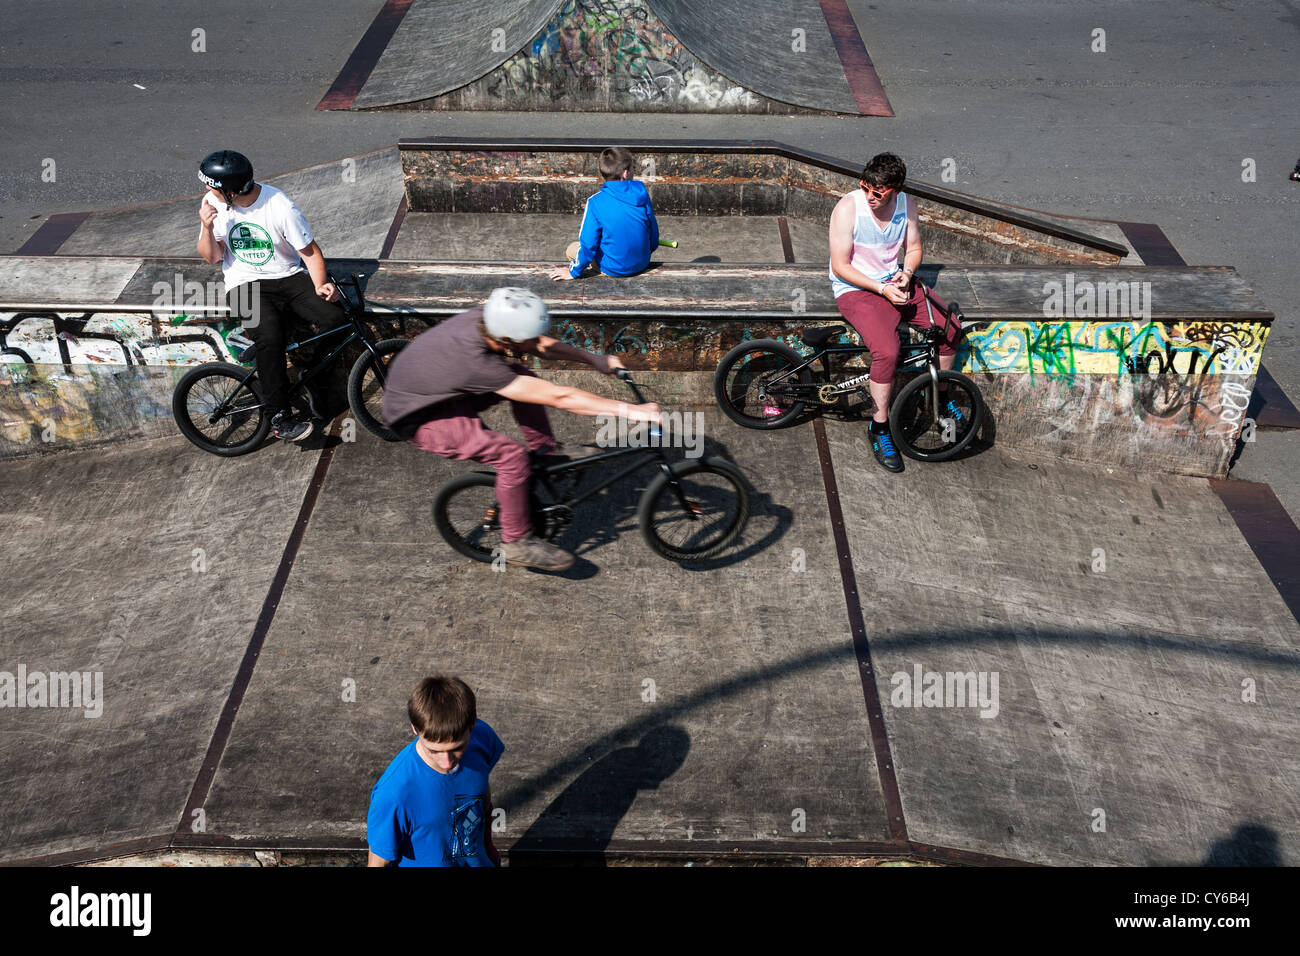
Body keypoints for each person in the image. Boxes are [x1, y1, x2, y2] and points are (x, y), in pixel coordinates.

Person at [381, 287, 661, 572]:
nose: (532, 342)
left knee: (523, 377)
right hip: (417, 416)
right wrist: (631, 411)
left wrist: (593, 358)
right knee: (511, 455)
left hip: (438, 389)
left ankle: (545, 450)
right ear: (506, 341)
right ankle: (515, 541)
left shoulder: (489, 319)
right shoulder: (478, 364)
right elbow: (559, 397)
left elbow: (539, 345)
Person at [828, 152, 962, 473]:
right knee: (887, 351)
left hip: (894, 283)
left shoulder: (906, 207)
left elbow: (913, 249)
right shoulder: (848, 208)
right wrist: (882, 289)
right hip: (858, 289)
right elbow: (840, 266)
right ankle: (879, 427)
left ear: (896, 191)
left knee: (951, 328)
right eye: (865, 188)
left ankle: (940, 398)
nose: (870, 197)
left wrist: (906, 271)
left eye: (879, 192)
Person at [196, 149, 341, 442]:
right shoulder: (212, 203)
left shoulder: (279, 206)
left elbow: (310, 252)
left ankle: (308, 374)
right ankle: (280, 417)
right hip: (243, 283)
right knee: (269, 337)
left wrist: (320, 284)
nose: (206, 191)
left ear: (232, 191)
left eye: (211, 185)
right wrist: (207, 227)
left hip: (286, 277)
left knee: (336, 318)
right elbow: (212, 257)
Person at [367, 676, 504, 867]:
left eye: (457, 748)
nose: (447, 763)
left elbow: (482, 792)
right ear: (415, 729)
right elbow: (378, 861)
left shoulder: (482, 738)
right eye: (434, 751)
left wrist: (489, 848)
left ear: (473, 723)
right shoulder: (394, 794)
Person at [550, 146, 659, 281]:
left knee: (572, 249)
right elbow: (654, 234)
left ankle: (592, 270)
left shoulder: (595, 202)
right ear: (625, 174)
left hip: (613, 268)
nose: (633, 172)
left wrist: (573, 272)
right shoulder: (642, 194)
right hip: (642, 262)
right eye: (632, 169)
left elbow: (588, 244)